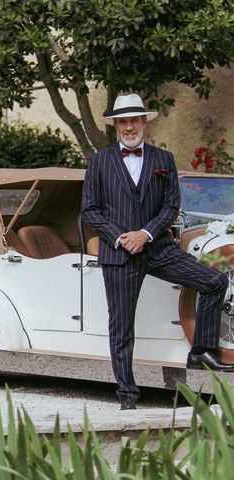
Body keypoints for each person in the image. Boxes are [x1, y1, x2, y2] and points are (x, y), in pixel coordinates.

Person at [81, 93, 232, 410]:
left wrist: (146, 233)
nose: (129, 126)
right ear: (117, 126)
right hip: (119, 253)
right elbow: (90, 211)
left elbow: (171, 206)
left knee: (214, 281)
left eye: (134, 120)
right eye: (123, 121)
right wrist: (122, 237)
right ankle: (127, 396)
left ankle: (202, 351)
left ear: (144, 122)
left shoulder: (163, 160)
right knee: (122, 327)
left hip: (157, 248)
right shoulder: (99, 162)